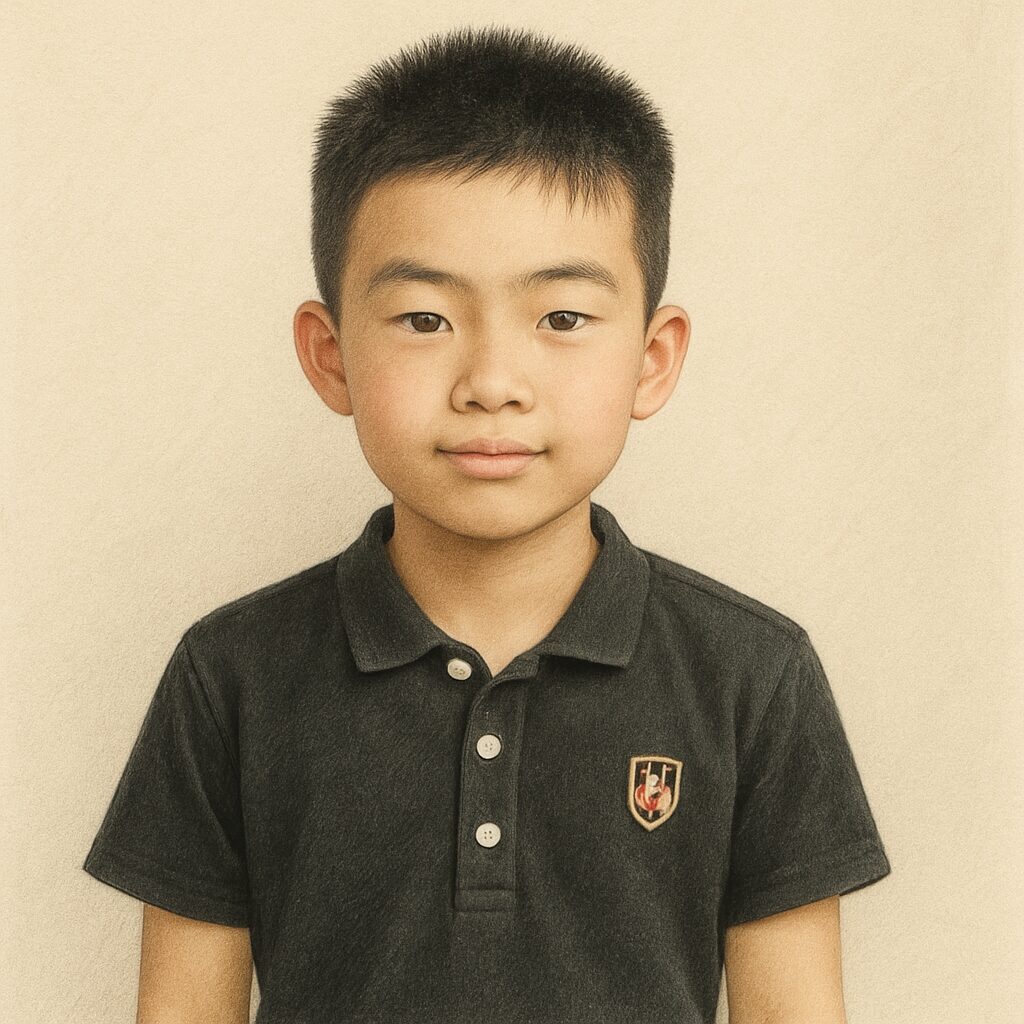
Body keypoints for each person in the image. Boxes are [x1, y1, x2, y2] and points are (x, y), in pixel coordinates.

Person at [82, 24, 892, 1024]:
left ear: (652, 359)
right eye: (425, 318)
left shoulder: (753, 677)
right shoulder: (231, 676)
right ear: (330, 355)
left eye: (561, 318)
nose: (492, 382)